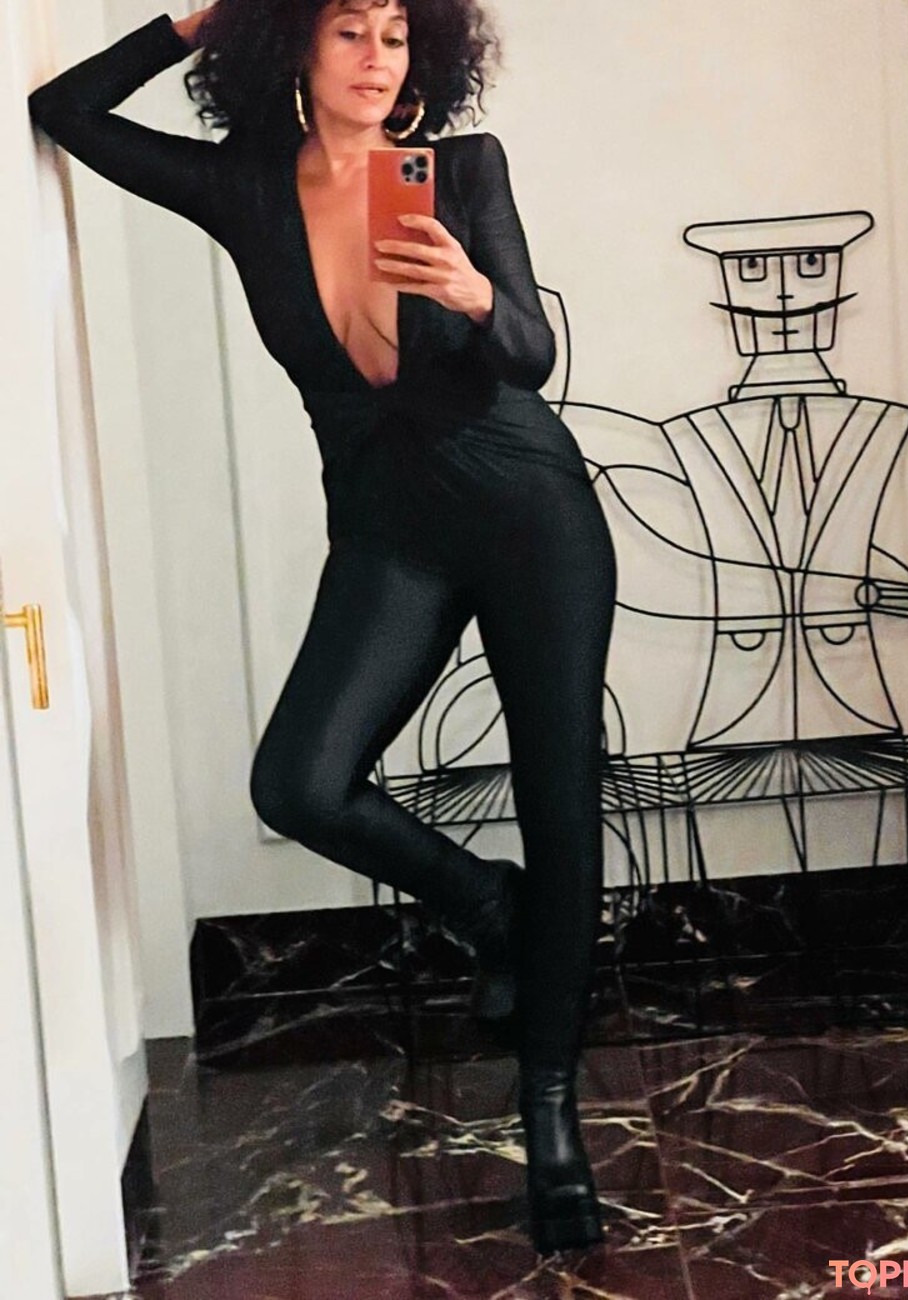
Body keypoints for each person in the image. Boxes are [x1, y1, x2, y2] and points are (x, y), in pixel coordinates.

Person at [28, 0, 616, 1256]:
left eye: (396, 36)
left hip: (529, 510)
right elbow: (62, 112)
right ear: (294, 43)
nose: (376, 60)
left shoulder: (461, 169)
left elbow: (532, 353)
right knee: (299, 781)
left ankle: (552, 1112)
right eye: (349, 31)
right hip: (390, 532)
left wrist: (474, 291)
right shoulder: (243, 186)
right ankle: (492, 907)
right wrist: (200, 19)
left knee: (562, 800)